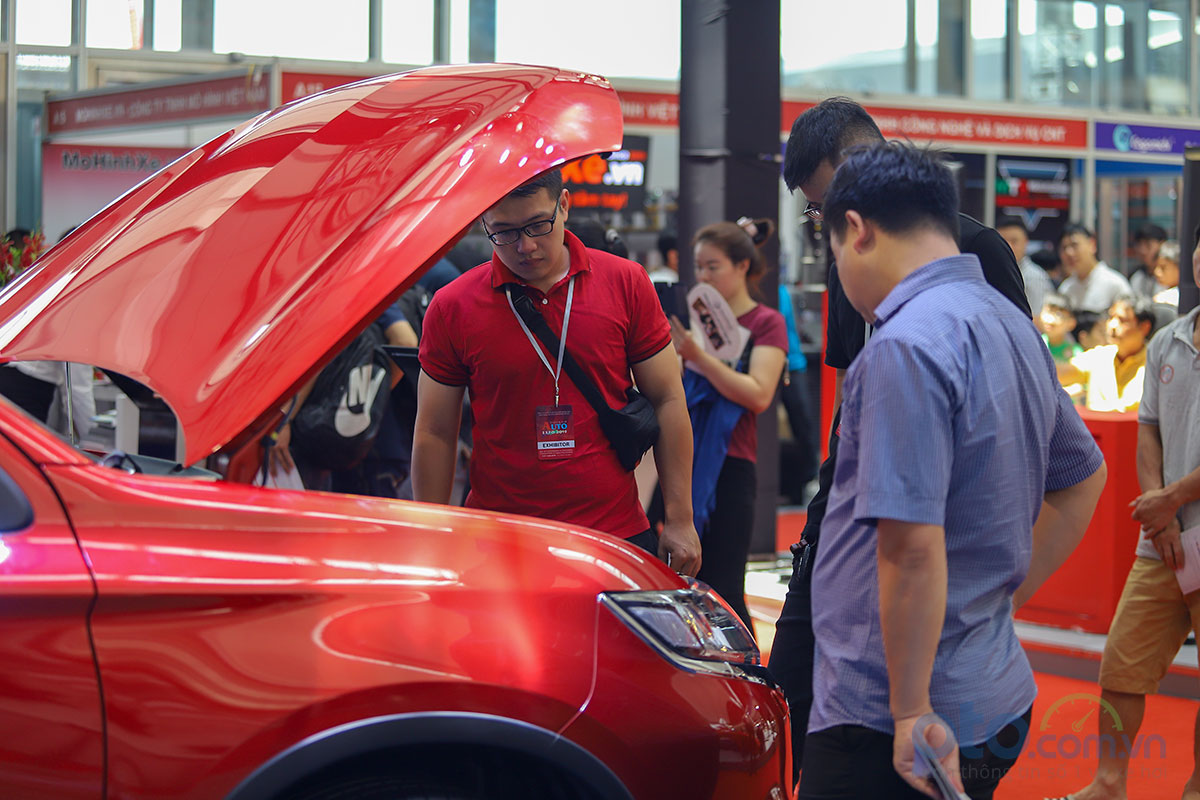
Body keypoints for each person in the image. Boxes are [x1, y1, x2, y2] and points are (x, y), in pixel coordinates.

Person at [796, 142, 1105, 800]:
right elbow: (1083, 477)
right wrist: (992, 605)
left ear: (856, 230)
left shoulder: (905, 345)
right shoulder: (1010, 323)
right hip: (991, 687)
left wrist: (910, 710)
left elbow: (910, 547)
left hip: (889, 713)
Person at [768, 95, 1032, 779]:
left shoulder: (978, 254)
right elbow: (848, 399)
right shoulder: (850, 262)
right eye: (817, 214)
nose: (829, 230)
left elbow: (1018, 408)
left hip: (929, 534)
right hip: (847, 519)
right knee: (787, 695)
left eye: (828, 209)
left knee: (868, 744)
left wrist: (992, 594)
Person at [412, 168, 701, 574]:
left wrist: (680, 519)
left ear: (563, 205)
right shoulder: (453, 306)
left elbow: (668, 398)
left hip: (613, 534)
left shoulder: (626, 282)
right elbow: (435, 431)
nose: (525, 246)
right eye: (504, 232)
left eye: (537, 225)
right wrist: (432, 532)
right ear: (484, 223)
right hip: (499, 540)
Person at [1054, 233, 1200, 800]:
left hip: (1180, 520)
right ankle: (1108, 784)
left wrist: (1171, 497)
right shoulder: (1167, 340)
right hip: (1164, 539)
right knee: (1122, 665)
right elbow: (1149, 432)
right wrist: (1161, 508)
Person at [659, 219, 787, 629]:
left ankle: (740, 667)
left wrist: (699, 358)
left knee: (725, 587)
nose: (704, 276)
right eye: (699, 267)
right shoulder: (688, 319)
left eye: (713, 267)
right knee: (676, 581)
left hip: (731, 463)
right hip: (681, 459)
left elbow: (759, 393)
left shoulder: (765, 322)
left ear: (742, 266)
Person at [1057, 297, 1154, 412]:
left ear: (1144, 327)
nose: (1112, 325)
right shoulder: (1099, 356)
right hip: (1093, 423)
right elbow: (1059, 373)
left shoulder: (1155, 363)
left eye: (1122, 320)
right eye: (1111, 317)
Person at [1057, 224, 1133, 313]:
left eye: (1074, 245)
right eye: (1064, 248)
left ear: (1092, 244)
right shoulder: (1065, 289)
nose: (1069, 252)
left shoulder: (1115, 284)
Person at [997, 216, 1054, 316]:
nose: (1008, 246)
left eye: (1014, 241)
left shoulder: (1034, 276)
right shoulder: (994, 272)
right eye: (1003, 241)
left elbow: (1035, 318)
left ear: (1025, 242)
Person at [1129, 222, 1168, 300]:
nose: (1142, 250)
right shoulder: (1136, 276)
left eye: (1148, 245)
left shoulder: (1172, 275)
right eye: (1139, 245)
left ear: (1162, 244)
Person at [1152, 238, 1181, 307]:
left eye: (1163, 267)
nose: (1156, 272)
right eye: (1156, 266)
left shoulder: (1184, 296)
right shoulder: (1159, 288)